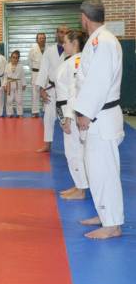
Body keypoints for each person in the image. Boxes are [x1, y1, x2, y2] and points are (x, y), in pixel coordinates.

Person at [75, 0, 124, 240]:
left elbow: (99, 82)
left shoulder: (103, 42)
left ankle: (112, 224)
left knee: (104, 171)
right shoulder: (98, 40)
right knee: (95, 170)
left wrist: (85, 112)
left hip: (100, 116)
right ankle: (104, 213)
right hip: (98, 115)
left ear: (85, 17)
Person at [57, 30, 88, 201]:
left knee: (74, 150)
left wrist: (68, 117)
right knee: (73, 150)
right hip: (66, 108)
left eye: (66, 42)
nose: (63, 45)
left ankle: (81, 189)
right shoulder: (71, 61)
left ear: (75, 43)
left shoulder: (77, 61)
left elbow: (75, 91)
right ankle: (78, 185)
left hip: (71, 111)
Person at [35, 25, 68, 152]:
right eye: (61, 32)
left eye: (66, 32)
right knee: (48, 117)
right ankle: (47, 144)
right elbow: (43, 70)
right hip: (51, 89)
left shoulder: (71, 49)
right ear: (56, 33)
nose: (63, 34)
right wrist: (41, 89)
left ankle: (70, 146)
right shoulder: (49, 51)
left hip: (65, 91)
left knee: (65, 118)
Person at [28, 32, 46, 118]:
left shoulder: (48, 48)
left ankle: (45, 110)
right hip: (36, 72)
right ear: (37, 40)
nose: (42, 39)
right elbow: (29, 61)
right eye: (40, 38)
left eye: (43, 38)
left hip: (45, 73)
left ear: (45, 39)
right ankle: (35, 111)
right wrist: (35, 69)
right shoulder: (33, 49)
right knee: (35, 92)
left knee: (46, 91)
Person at [4, 50, 25, 118]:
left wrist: (24, 84)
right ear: (11, 58)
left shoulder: (20, 66)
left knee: (19, 100)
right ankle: (9, 113)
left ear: (18, 59)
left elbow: (22, 76)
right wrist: (4, 85)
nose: (15, 59)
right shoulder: (7, 66)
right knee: (9, 100)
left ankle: (19, 113)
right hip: (9, 84)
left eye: (16, 58)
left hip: (18, 84)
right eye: (13, 57)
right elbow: (5, 76)